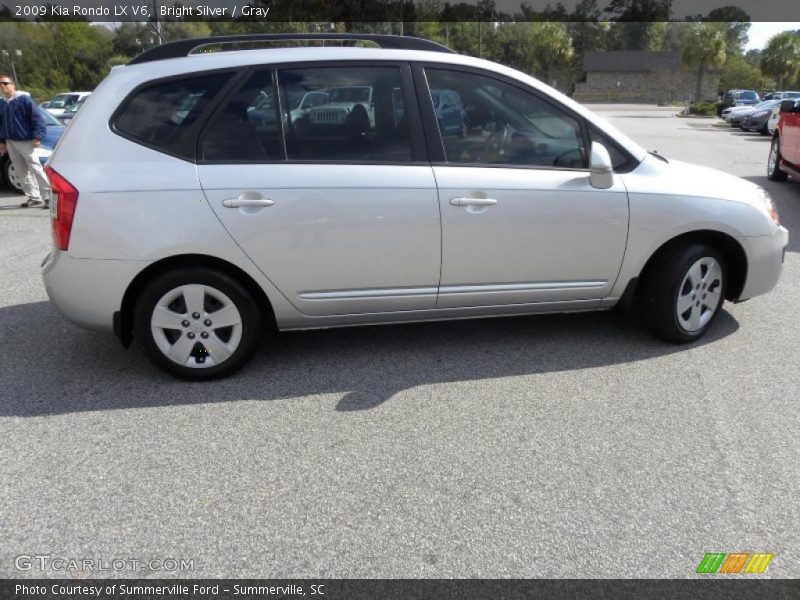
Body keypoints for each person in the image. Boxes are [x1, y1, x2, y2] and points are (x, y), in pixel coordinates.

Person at [0, 74, 50, 208]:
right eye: (0, 84)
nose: (3, 86)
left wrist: (37, 137)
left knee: (35, 168)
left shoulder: (24, 100)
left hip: (26, 141)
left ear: (13, 85)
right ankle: (34, 197)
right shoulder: (2, 103)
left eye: (5, 83)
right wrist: (2, 142)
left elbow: (37, 119)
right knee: (21, 171)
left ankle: (49, 196)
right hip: (10, 142)